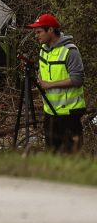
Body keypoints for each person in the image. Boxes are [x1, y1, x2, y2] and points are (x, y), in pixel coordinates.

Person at [29, 13, 86, 153]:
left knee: (71, 158)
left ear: (51, 30)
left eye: (39, 32)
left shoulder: (70, 51)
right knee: (52, 157)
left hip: (69, 113)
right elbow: (45, 72)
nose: (36, 36)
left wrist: (49, 85)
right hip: (50, 112)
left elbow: (77, 80)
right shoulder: (43, 50)